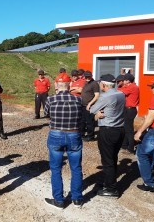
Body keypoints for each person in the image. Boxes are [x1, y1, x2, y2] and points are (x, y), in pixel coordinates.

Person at [43, 73, 84, 209]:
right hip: (74, 134)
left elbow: (46, 114)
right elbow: (81, 116)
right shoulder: (78, 100)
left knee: (55, 168)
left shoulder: (51, 99)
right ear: (70, 85)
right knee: (76, 168)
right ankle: (77, 199)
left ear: (56, 85)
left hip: (56, 133)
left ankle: (59, 200)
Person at [90, 74, 125, 197]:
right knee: (113, 158)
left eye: (100, 83)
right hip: (120, 129)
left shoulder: (105, 97)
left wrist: (96, 113)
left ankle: (111, 188)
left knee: (107, 160)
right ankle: (108, 182)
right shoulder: (121, 94)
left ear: (104, 85)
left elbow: (92, 109)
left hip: (108, 129)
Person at [118, 73, 140, 154]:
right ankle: (124, 145)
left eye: (124, 80)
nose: (123, 81)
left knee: (129, 129)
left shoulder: (132, 87)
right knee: (125, 127)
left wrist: (116, 88)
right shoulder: (130, 86)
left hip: (130, 109)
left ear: (128, 81)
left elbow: (121, 92)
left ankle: (130, 148)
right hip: (128, 109)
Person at [80, 71, 100, 141]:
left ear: (91, 76)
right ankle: (81, 134)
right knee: (82, 121)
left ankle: (90, 136)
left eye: (89, 76)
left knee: (90, 122)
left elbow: (97, 96)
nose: (87, 78)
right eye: (86, 76)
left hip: (89, 106)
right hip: (82, 105)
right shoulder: (86, 82)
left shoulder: (94, 84)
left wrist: (89, 104)